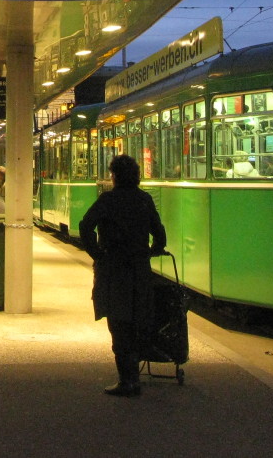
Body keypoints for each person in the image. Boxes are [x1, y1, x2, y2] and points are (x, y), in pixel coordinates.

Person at [78, 154, 167, 398]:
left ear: (114, 176)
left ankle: (128, 381)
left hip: (114, 269)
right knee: (138, 319)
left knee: (118, 323)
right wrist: (152, 251)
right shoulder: (144, 200)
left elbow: (85, 226)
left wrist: (97, 253)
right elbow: (159, 233)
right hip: (139, 270)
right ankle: (134, 375)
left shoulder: (108, 200)